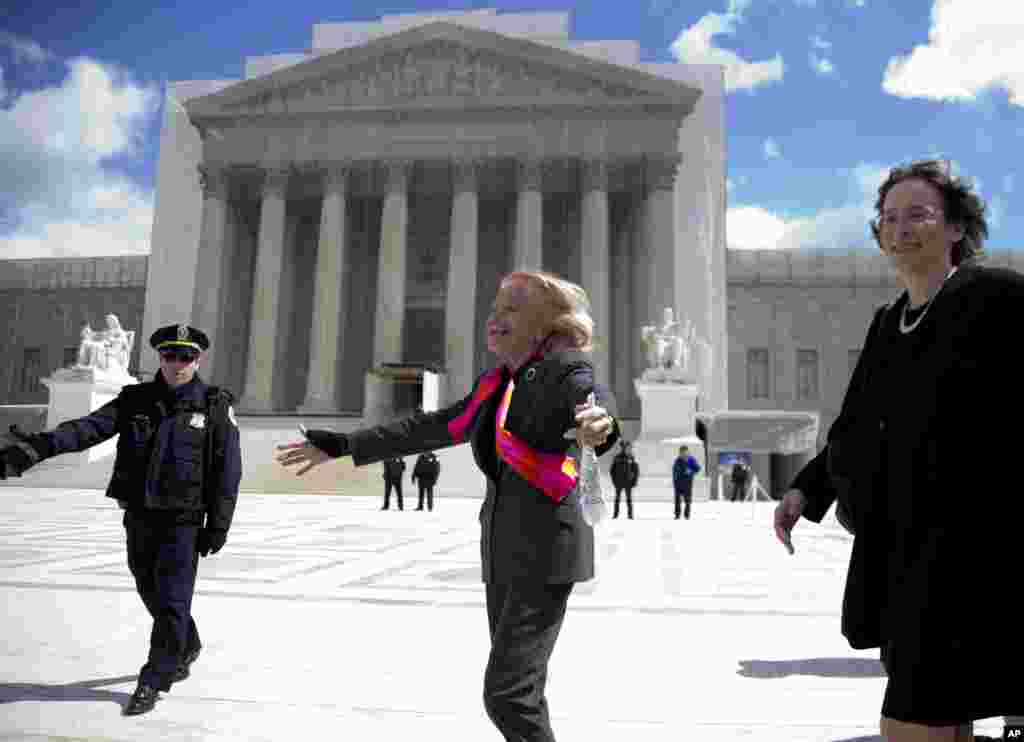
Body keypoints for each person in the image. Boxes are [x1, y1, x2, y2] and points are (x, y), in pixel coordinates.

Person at [276, 270, 619, 741]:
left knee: (507, 694)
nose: (496, 319)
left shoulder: (564, 369)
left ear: (545, 323)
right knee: (522, 689)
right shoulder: (495, 386)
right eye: (495, 308)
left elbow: (592, 396)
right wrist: (343, 445)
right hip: (501, 550)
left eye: (513, 309)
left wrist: (599, 422)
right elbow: (429, 428)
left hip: (546, 553)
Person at [772, 159, 1024, 741]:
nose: (900, 227)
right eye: (889, 217)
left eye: (918, 214)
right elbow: (857, 421)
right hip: (908, 552)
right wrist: (807, 488)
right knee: (937, 714)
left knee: (913, 719)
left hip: (981, 547)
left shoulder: (996, 297)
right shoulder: (890, 322)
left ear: (957, 228)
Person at [0, 323, 241, 716]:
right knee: (148, 587)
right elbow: (87, 429)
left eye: (186, 357)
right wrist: (37, 448)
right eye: (170, 355)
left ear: (199, 359)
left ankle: (155, 678)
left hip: (184, 519)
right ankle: (187, 643)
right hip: (140, 513)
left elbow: (227, 468)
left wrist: (220, 523)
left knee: (173, 600)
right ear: (159, 358)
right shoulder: (135, 399)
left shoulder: (214, 405)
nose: (177, 364)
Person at [610, 440, 639, 519]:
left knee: (629, 500)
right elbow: (612, 471)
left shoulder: (631, 458)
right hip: (619, 482)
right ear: (621, 448)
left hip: (628, 482)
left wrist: (634, 481)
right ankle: (615, 515)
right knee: (617, 500)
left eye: (625, 447)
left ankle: (630, 515)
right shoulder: (617, 457)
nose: (624, 449)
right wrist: (614, 481)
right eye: (623, 447)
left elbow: (636, 470)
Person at [672, 445, 700, 519]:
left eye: (685, 452)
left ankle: (687, 515)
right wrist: (675, 480)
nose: (683, 453)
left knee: (687, 500)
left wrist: (691, 471)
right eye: (682, 452)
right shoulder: (678, 460)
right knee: (677, 500)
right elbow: (674, 470)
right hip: (678, 483)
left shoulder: (691, 459)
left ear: (687, 452)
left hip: (688, 482)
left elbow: (697, 468)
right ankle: (677, 514)